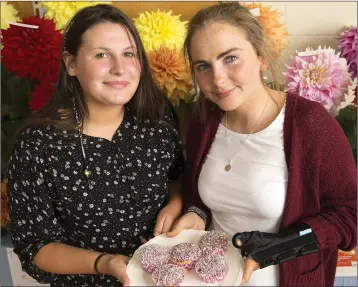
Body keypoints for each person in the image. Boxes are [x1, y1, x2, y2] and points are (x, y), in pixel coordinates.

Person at [167, 3, 357, 287]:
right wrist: (194, 215)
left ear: (260, 56)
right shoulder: (203, 120)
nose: (217, 80)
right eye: (203, 66)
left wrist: (286, 243)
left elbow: (350, 216)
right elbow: (200, 196)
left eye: (230, 58)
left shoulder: (310, 124)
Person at [6, 4, 184, 287]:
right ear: (71, 64)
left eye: (129, 54)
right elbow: (36, 248)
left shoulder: (157, 120)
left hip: (164, 278)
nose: (120, 68)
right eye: (102, 55)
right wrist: (104, 262)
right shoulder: (38, 145)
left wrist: (174, 205)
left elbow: (176, 178)